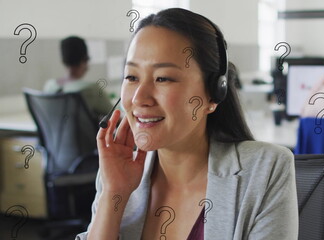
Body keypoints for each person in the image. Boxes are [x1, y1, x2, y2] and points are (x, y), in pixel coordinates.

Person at [76, 8, 298, 240]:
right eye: (131, 77)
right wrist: (114, 194)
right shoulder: (115, 173)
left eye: (163, 78)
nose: (139, 98)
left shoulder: (265, 170)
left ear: (213, 94)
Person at [43, 36, 112, 121]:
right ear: (84, 60)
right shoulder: (91, 89)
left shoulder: (50, 85)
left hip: (53, 134)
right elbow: (114, 115)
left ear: (63, 61)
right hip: (86, 135)